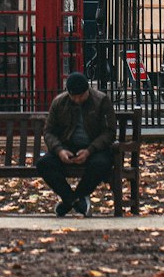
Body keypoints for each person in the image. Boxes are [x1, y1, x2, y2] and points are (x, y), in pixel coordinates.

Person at [37, 71, 116, 218]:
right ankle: (75, 200)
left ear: (88, 90)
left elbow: (109, 132)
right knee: (43, 164)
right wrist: (59, 150)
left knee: (101, 164)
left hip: (94, 148)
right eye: (74, 96)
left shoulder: (101, 100)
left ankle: (69, 201)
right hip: (67, 147)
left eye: (81, 96)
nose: (78, 99)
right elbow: (49, 131)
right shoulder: (59, 102)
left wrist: (89, 150)